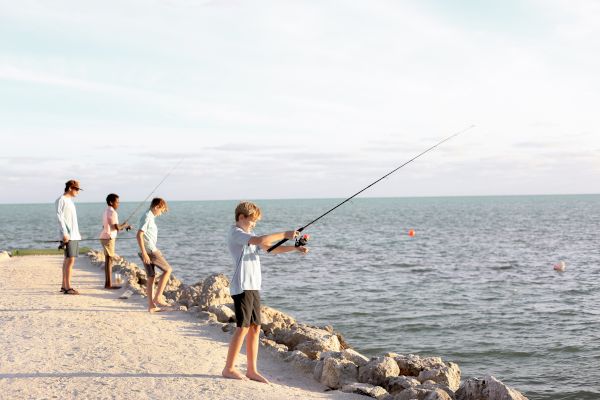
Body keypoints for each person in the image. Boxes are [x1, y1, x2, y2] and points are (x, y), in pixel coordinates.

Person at [222, 201, 309, 383]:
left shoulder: (250, 234)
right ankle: (228, 368)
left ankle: (251, 370)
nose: (254, 224)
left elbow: (271, 248)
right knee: (243, 327)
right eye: (252, 220)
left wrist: (294, 247)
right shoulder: (236, 233)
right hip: (242, 286)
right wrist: (285, 234)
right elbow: (261, 240)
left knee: (255, 328)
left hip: (253, 286)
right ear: (241, 217)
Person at [136, 198, 172, 312]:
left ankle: (151, 306)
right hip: (149, 251)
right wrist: (145, 254)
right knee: (168, 270)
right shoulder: (147, 217)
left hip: (149, 250)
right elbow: (139, 235)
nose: (161, 213)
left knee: (151, 277)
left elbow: (147, 237)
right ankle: (158, 297)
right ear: (156, 207)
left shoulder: (149, 216)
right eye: (161, 210)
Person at [99, 193, 132, 289]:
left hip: (104, 237)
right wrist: (125, 225)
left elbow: (108, 226)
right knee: (109, 261)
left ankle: (107, 284)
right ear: (111, 202)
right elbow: (117, 227)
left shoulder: (106, 211)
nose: (118, 204)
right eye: (117, 202)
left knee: (108, 260)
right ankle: (108, 285)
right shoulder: (113, 212)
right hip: (109, 238)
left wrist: (123, 226)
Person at [55, 179, 82, 295]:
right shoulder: (61, 200)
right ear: (70, 188)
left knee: (68, 259)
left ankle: (64, 285)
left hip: (74, 234)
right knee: (70, 259)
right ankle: (67, 287)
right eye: (76, 189)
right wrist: (65, 233)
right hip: (68, 235)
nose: (78, 192)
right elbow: (59, 217)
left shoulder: (70, 201)